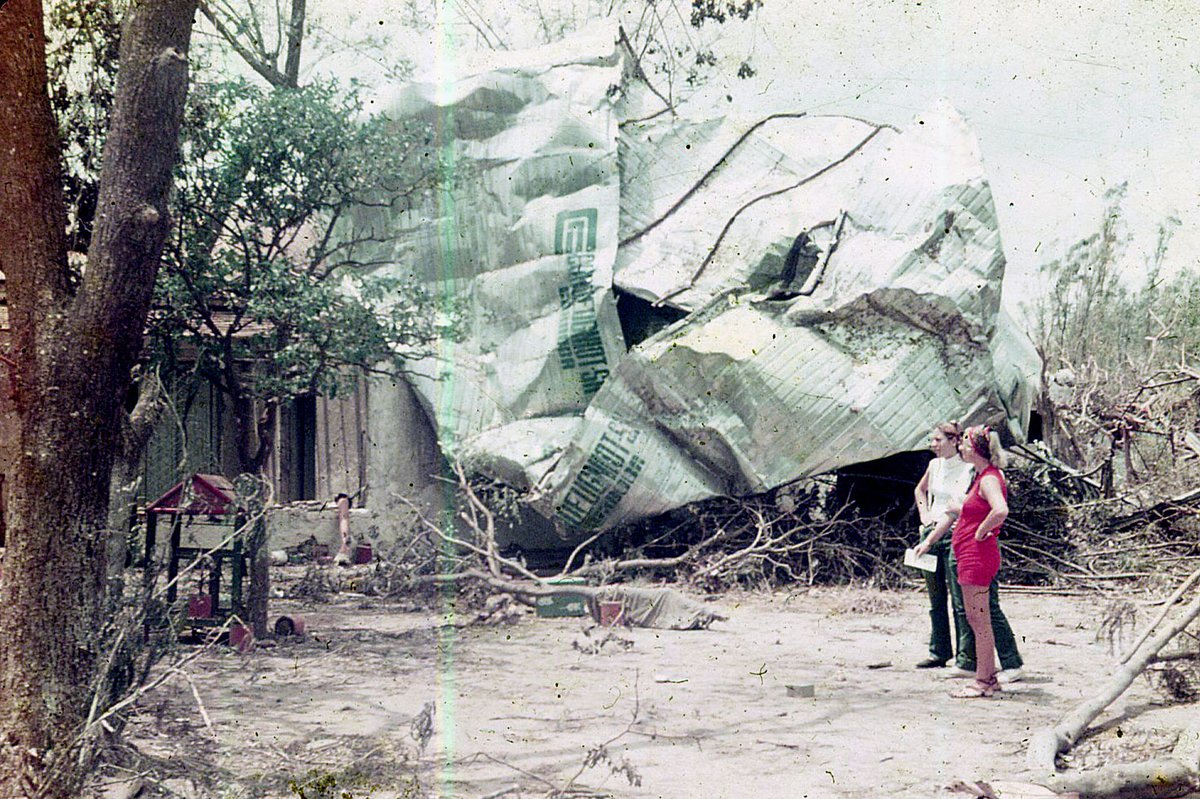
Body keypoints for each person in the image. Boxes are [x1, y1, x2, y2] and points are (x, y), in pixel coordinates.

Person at [916, 426, 1017, 698]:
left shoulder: (989, 479)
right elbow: (973, 508)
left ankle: (984, 679)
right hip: (968, 553)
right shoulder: (980, 476)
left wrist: (982, 531)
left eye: (965, 445)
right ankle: (988, 677)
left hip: (977, 555)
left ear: (977, 449)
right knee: (975, 617)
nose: (961, 448)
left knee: (979, 618)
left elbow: (1000, 510)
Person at [912, 422, 972, 669]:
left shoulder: (968, 467)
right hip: (931, 531)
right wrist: (924, 516)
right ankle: (939, 651)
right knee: (936, 599)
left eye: (938, 440)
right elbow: (920, 490)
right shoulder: (934, 465)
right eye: (932, 440)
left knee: (959, 600)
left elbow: (960, 505)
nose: (933, 445)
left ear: (954, 440)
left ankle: (966, 657)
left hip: (953, 534)